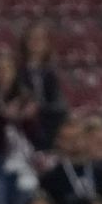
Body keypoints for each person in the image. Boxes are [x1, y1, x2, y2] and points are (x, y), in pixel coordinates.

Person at [39, 117, 102, 204]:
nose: (74, 142)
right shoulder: (51, 179)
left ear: (86, 138)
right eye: (67, 139)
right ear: (59, 142)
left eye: (77, 137)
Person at [17, 21, 67, 151]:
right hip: (23, 130)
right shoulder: (17, 71)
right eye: (32, 38)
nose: (36, 42)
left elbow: (58, 104)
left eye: (40, 39)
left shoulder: (50, 73)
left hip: (48, 128)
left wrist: (39, 109)